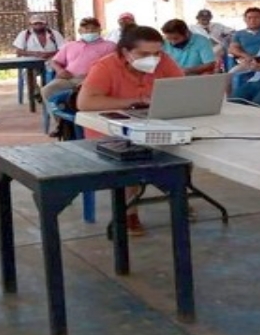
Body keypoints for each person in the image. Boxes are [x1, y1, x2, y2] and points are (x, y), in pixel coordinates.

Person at [78, 26, 183, 235]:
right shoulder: (106, 67)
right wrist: (134, 102)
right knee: (132, 157)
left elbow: (181, 89)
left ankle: (178, 194)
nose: (153, 59)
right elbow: (85, 102)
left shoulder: (165, 62)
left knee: (185, 148)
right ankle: (129, 211)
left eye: (157, 53)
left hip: (154, 123)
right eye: (144, 54)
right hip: (111, 130)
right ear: (125, 52)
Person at [41, 16, 116, 102]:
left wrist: (93, 75)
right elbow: (54, 61)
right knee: (47, 90)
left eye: (94, 28)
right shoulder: (70, 45)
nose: (90, 31)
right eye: (86, 28)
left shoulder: (110, 46)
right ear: (80, 31)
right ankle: (57, 115)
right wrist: (60, 71)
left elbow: (114, 66)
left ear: (99, 30)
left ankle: (78, 113)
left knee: (78, 95)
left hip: (93, 80)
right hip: (68, 79)